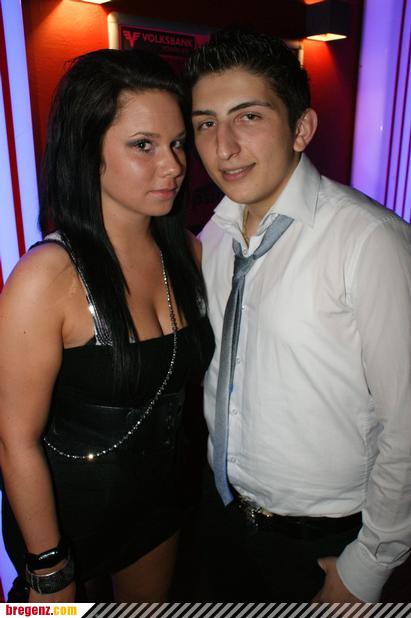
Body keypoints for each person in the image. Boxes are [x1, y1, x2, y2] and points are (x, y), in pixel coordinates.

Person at [185, 29, 411, 603]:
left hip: (329, 543)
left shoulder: (371, 241)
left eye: (249, 117)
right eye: (206, 123)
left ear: (301, 129)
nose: (224, 147)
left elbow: (408, 422)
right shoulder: (214, 234)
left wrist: (368, 565)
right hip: (224, 522)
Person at [0, 48, 214, 603]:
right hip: (58, 525)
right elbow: (13, 438)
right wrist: (49, 568)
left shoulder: (188, 251)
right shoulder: (45, 277)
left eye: (177, 144)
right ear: (87, 149)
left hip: (161, 507)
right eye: (143, 145)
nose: (173, 166)